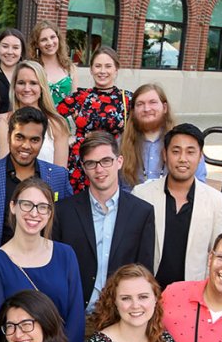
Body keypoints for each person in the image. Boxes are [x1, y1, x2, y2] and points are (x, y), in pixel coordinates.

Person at [0, 179, 85, 342]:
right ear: (13, 206)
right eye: (27, 204)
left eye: (42, 207)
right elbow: (0, 322)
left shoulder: (65, 254)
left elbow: (76, 315)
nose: (34, 213)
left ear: (50, 213)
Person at [53, 131, 155, 312]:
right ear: (83, 167)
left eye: (106, 161)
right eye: (91, 163)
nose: (99, 169)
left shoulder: (142, 212)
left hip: (122, 315)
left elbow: (144, 273)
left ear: (119, 161)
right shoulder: (63, 211)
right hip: (75, 313)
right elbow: (56, 268)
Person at [132, 124, 222, 289]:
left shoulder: (216, 201)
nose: (183, 159)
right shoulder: (142, 195)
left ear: (200, 157)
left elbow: (221, 255)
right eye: (176, 151)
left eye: (190, 152)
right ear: (165, 154)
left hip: (192, 293)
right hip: (148, 291)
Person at [0, 106, 72, 250]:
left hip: (44, 260)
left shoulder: (57, 176)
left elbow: (66, 224)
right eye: (19, 137)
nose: (26, 146)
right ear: (8, 136)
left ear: (42, 141)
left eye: (34, 140)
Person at [56, 47, 130, 192]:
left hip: (110, 163)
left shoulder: (127, 99)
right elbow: (51, 116)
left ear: (116, 69)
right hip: (81, 163)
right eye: (98, 66)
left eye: (108, 66)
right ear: (91, 69)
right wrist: (66, 137)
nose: (102, 71)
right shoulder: (80, 97)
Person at [121, 83, 208, 186]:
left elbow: (199, 183)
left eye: (153, 102)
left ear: (165, 107)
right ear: (133, 111)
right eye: (140, 104)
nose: (146, 109)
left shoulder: (185, 140)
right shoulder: (121, 144)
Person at [0, 60, 69, 168]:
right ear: (14, 87)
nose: (27, 89)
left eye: (33, 83)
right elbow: (2, 167)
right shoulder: (3, 121)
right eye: (21, 83)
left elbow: (60, 172)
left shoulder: (57, 124)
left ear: (42, 87)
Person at [29, 20, 74, 105]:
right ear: (37, 44)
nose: (50, 43)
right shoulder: (32, 69)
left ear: (58, 38)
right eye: (43, 39)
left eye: (52, 37)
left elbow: (75, 101)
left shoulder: (70, 68)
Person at [0, 27, 26, 115]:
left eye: (15, 47)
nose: (10, 52)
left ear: (21, 52)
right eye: (5, 46)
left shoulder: (28, 75)